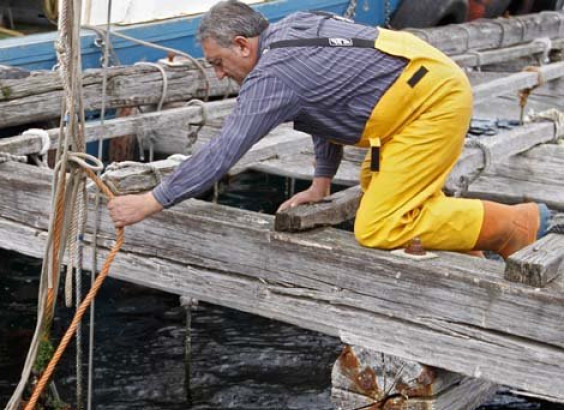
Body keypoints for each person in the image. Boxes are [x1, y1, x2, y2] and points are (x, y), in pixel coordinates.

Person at [107, 0, 552, 257]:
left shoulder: (273, 76)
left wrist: (150, 201)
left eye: (218, 63)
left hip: (430, 102)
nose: (219, 75)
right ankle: (469, 244)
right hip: (415, 96)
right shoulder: (293, 28)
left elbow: (223, 151)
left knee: (380, 225)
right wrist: (321, 184)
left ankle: (516, 224)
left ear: (242, 45)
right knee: (378, 188)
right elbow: (327, 99)